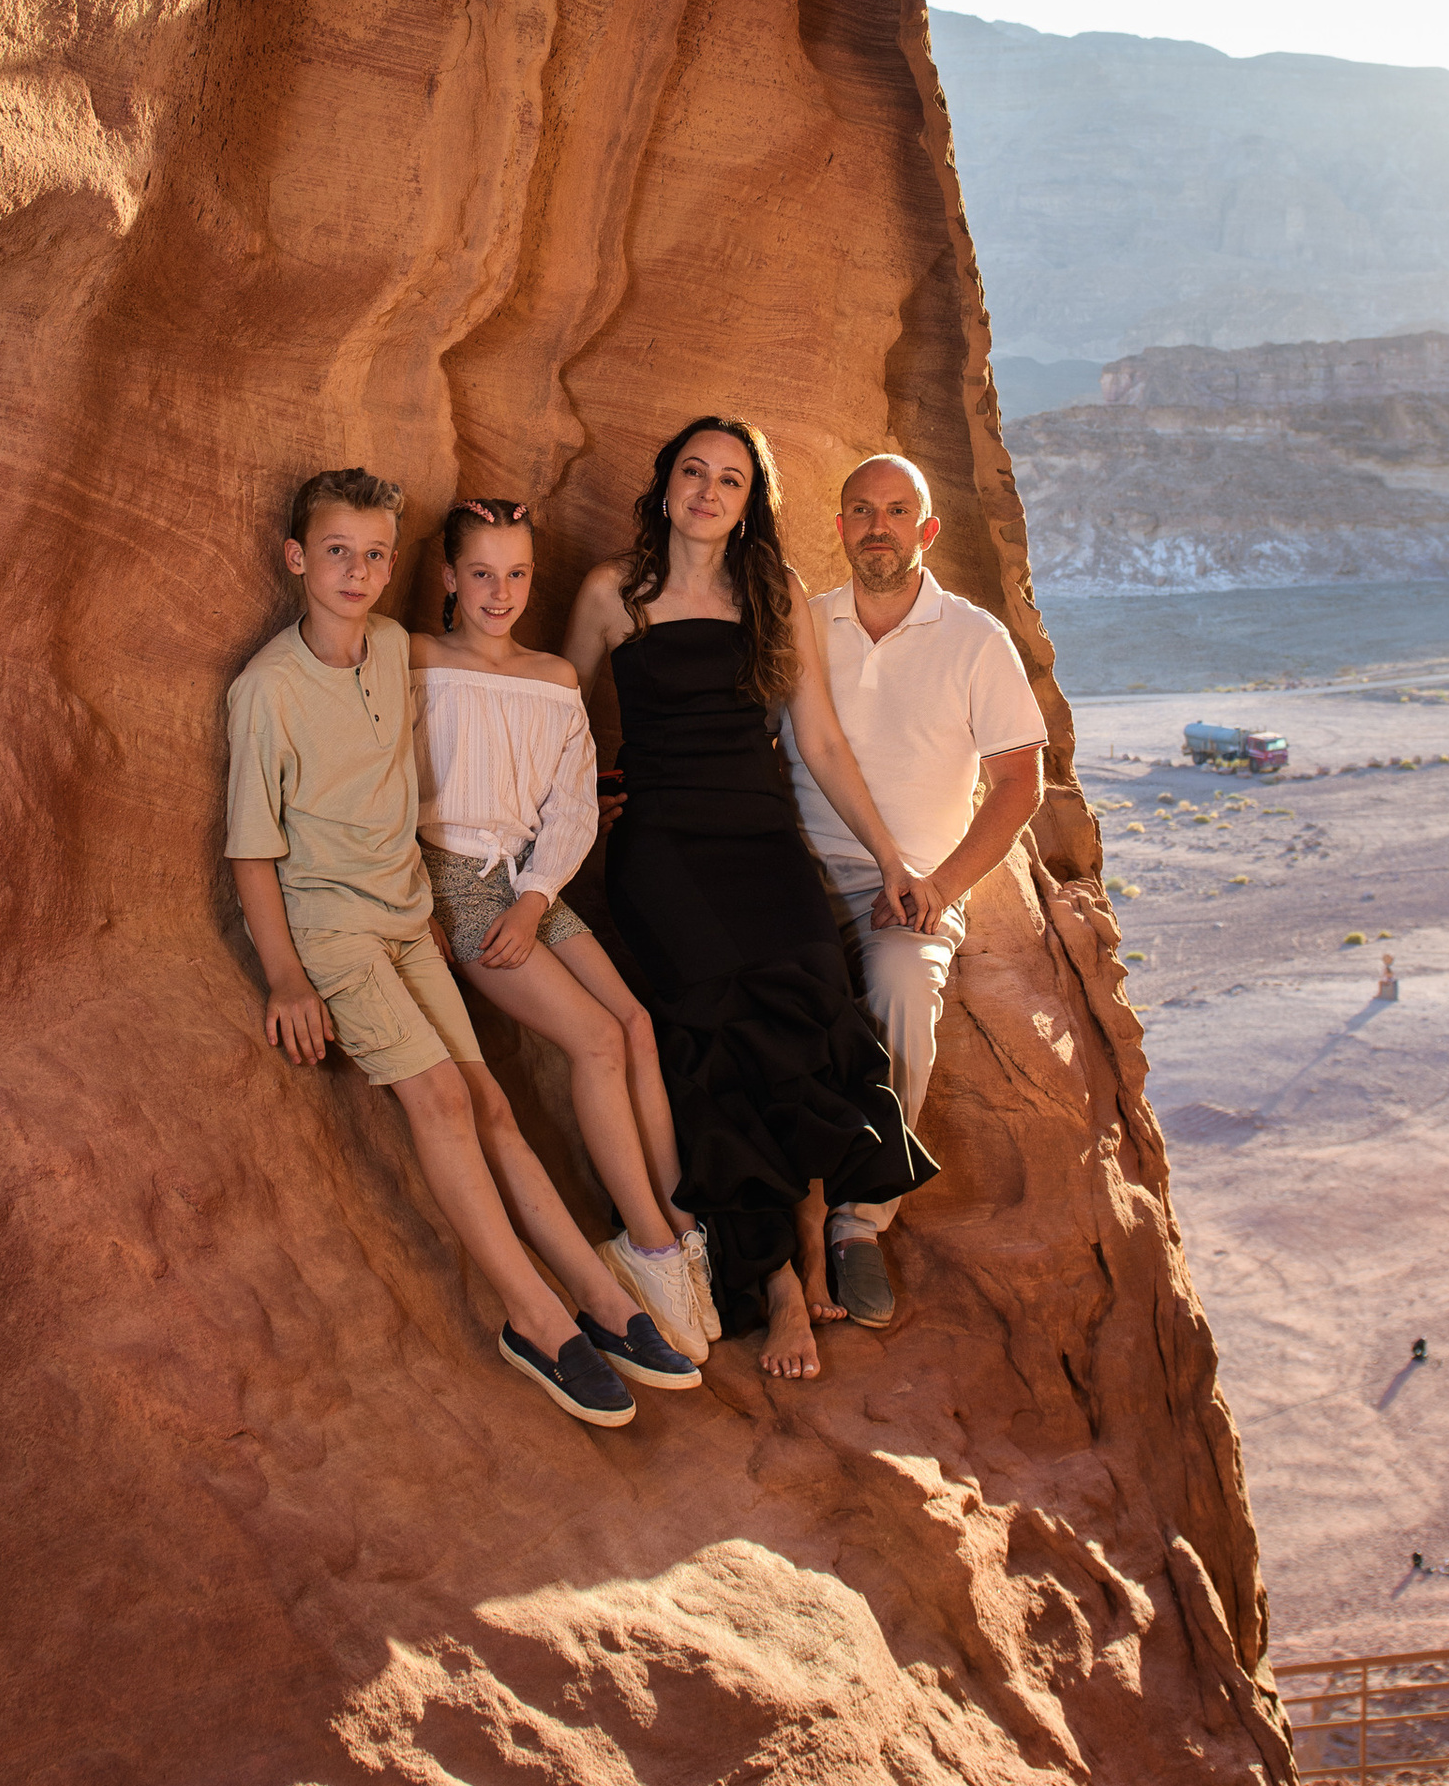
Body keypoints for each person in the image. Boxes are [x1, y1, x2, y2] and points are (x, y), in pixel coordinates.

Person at [224, 465, 699, 1428]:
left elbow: (466, 762)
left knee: (490, 1103)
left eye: (370, 556)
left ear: (395, 568)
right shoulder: (267, 689)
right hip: (336, 931)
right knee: (443, 1099)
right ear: (295, 560)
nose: (355, 573)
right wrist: (283, 974)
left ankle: (606, 1300)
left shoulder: (393, 648)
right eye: (334, 554)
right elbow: (251, 848)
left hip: (410, 915)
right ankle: (537, 1320)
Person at [564, 415, 939, 1387]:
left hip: (761, 837)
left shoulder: (772, 595)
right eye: (693, 471)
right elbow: (557, 719)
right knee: (723, 1025)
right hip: (664, 852)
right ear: (665, 486)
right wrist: (585, 795)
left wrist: (890, 860)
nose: (707, 491)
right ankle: (775, 1279)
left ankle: (811, 1237)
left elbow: (817, 742)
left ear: (748, 504)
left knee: (814, 991)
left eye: (730, 480)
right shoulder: (613, 593)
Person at [411, 496, 713, 1358]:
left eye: (516, 575)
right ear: (447, 577)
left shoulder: (552, 678)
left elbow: (573, 805)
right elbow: (381, 784)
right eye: (480, 573)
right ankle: (647, 1250)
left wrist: (539, 894)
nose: (499, 592)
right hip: (451, 881)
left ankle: (679, 1231)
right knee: (594, 1041)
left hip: (523, 882)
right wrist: (420, 900)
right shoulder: (416, 662)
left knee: (636, 1025)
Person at [781, 451, 1047, 1333]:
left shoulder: (974, 638)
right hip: (799, 872)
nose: (878, 527)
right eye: (861, 511)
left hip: (917, 890)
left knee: (899, 989)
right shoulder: (806, 626)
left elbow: (1019, 783)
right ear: (841, 527)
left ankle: (862, 1221)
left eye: (897, 511)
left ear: (927, 531)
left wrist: (941, 887)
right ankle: (767, 1222)